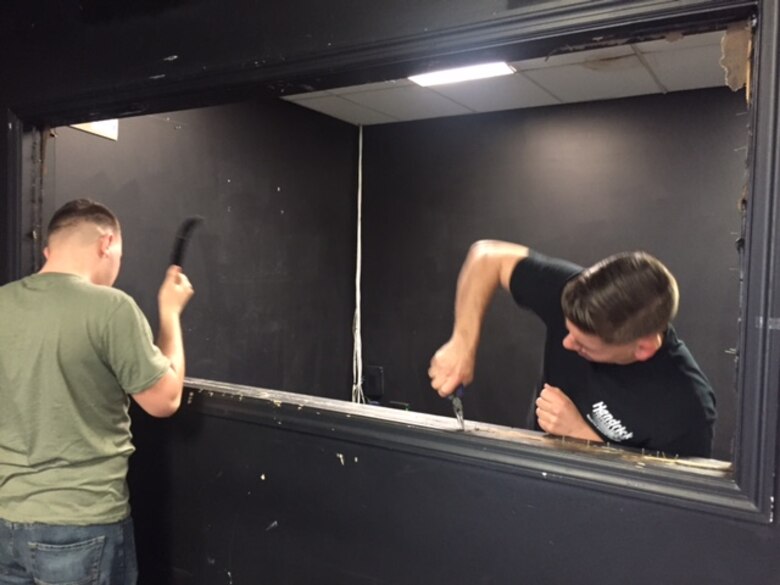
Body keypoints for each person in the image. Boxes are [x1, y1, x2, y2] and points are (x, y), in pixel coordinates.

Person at [0, 199, 194, 584]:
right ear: (106, 244)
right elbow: (165, 400)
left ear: (48, 251)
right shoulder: (111, 307)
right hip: (82, 524)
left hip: (6, 522)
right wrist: (169, 312)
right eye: (118, 254)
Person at [428, 240, 716, 458]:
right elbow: (487, 258)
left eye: (583, 344)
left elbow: (673, 504)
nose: (567, 343)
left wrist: (582, 435)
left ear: (643, 348)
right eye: (568, 331)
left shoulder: (686, 408)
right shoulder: (574, 294)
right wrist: (462, 343)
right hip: (535, 469)